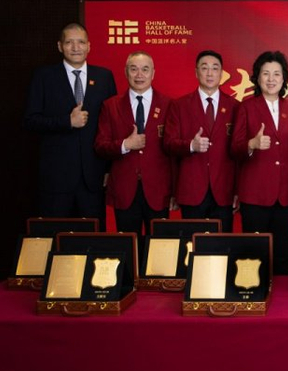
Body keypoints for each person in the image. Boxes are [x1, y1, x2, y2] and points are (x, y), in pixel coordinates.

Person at [24, 22, 117, 230]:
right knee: (54, 235)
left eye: (81, 42)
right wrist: (67, 122)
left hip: (93, 177)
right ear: (60, 46)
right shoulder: (43, 76)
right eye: (69, 42)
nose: (76, 47)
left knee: (93, 238)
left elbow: (112, 126)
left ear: (89, 46)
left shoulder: (104, 77)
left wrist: (110, 169)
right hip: (56, 177)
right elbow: (30, 121)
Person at [231, 51, 288, 272]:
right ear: (257, 77)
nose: (271, 79)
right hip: (255, 193)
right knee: (254, 253)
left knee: (281, 253)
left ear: (284, 79)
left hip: (285, 193)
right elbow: (234, 148)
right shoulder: (246, 107)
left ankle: (279, 293)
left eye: (276, 74)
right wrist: (251, 144)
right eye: (266, 73)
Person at [94, 51, 174, 253]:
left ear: (153, 73)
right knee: (128, 249)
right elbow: (100, 146)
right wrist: (125, 144)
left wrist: (175, 190)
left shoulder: (168, 105)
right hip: (125, 189)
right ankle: (130, 275)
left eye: (145, 69)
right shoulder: (110, 106)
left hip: (158, 190)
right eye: (134, 69)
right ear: (126, 72)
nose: (139, 75)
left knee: (160, 249)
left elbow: (173, 152)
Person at [163, 50, 238, 232]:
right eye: (204, 68)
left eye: (215, 68)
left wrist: (238, 190)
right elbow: (168, 143)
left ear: (222, 73)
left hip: (224, 190)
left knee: (222, 243)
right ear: (196, 72)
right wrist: (191, 145)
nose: (210, 73)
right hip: (192, 190)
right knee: (192, 242)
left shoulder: (235, 106)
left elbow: (238, 153)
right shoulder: (179, 105)